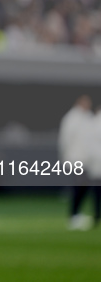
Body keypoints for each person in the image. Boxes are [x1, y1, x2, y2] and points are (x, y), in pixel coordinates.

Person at [58, 95, 94, 230]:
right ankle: (73, 215)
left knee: (84, 187)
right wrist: (67, 158)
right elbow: (65, 140)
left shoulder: (89, 117)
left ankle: (77, 213)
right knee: (78, 186)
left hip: (87, 159)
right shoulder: (71, 118)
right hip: (75, 159)